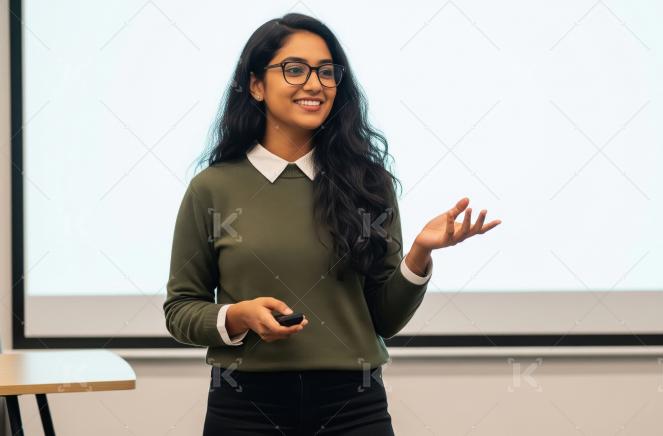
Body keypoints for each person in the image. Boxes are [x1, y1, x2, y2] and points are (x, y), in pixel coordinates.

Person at [163, 12, 501, 436]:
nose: (314, 84)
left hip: (353, 408)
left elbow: (385, 319)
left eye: (326, 71)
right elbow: (179, 310)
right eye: (294, 69)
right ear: (255, 85)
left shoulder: (367, 182)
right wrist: (238, 316)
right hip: (245, 406)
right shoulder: (213, 187)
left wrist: (420, 253)